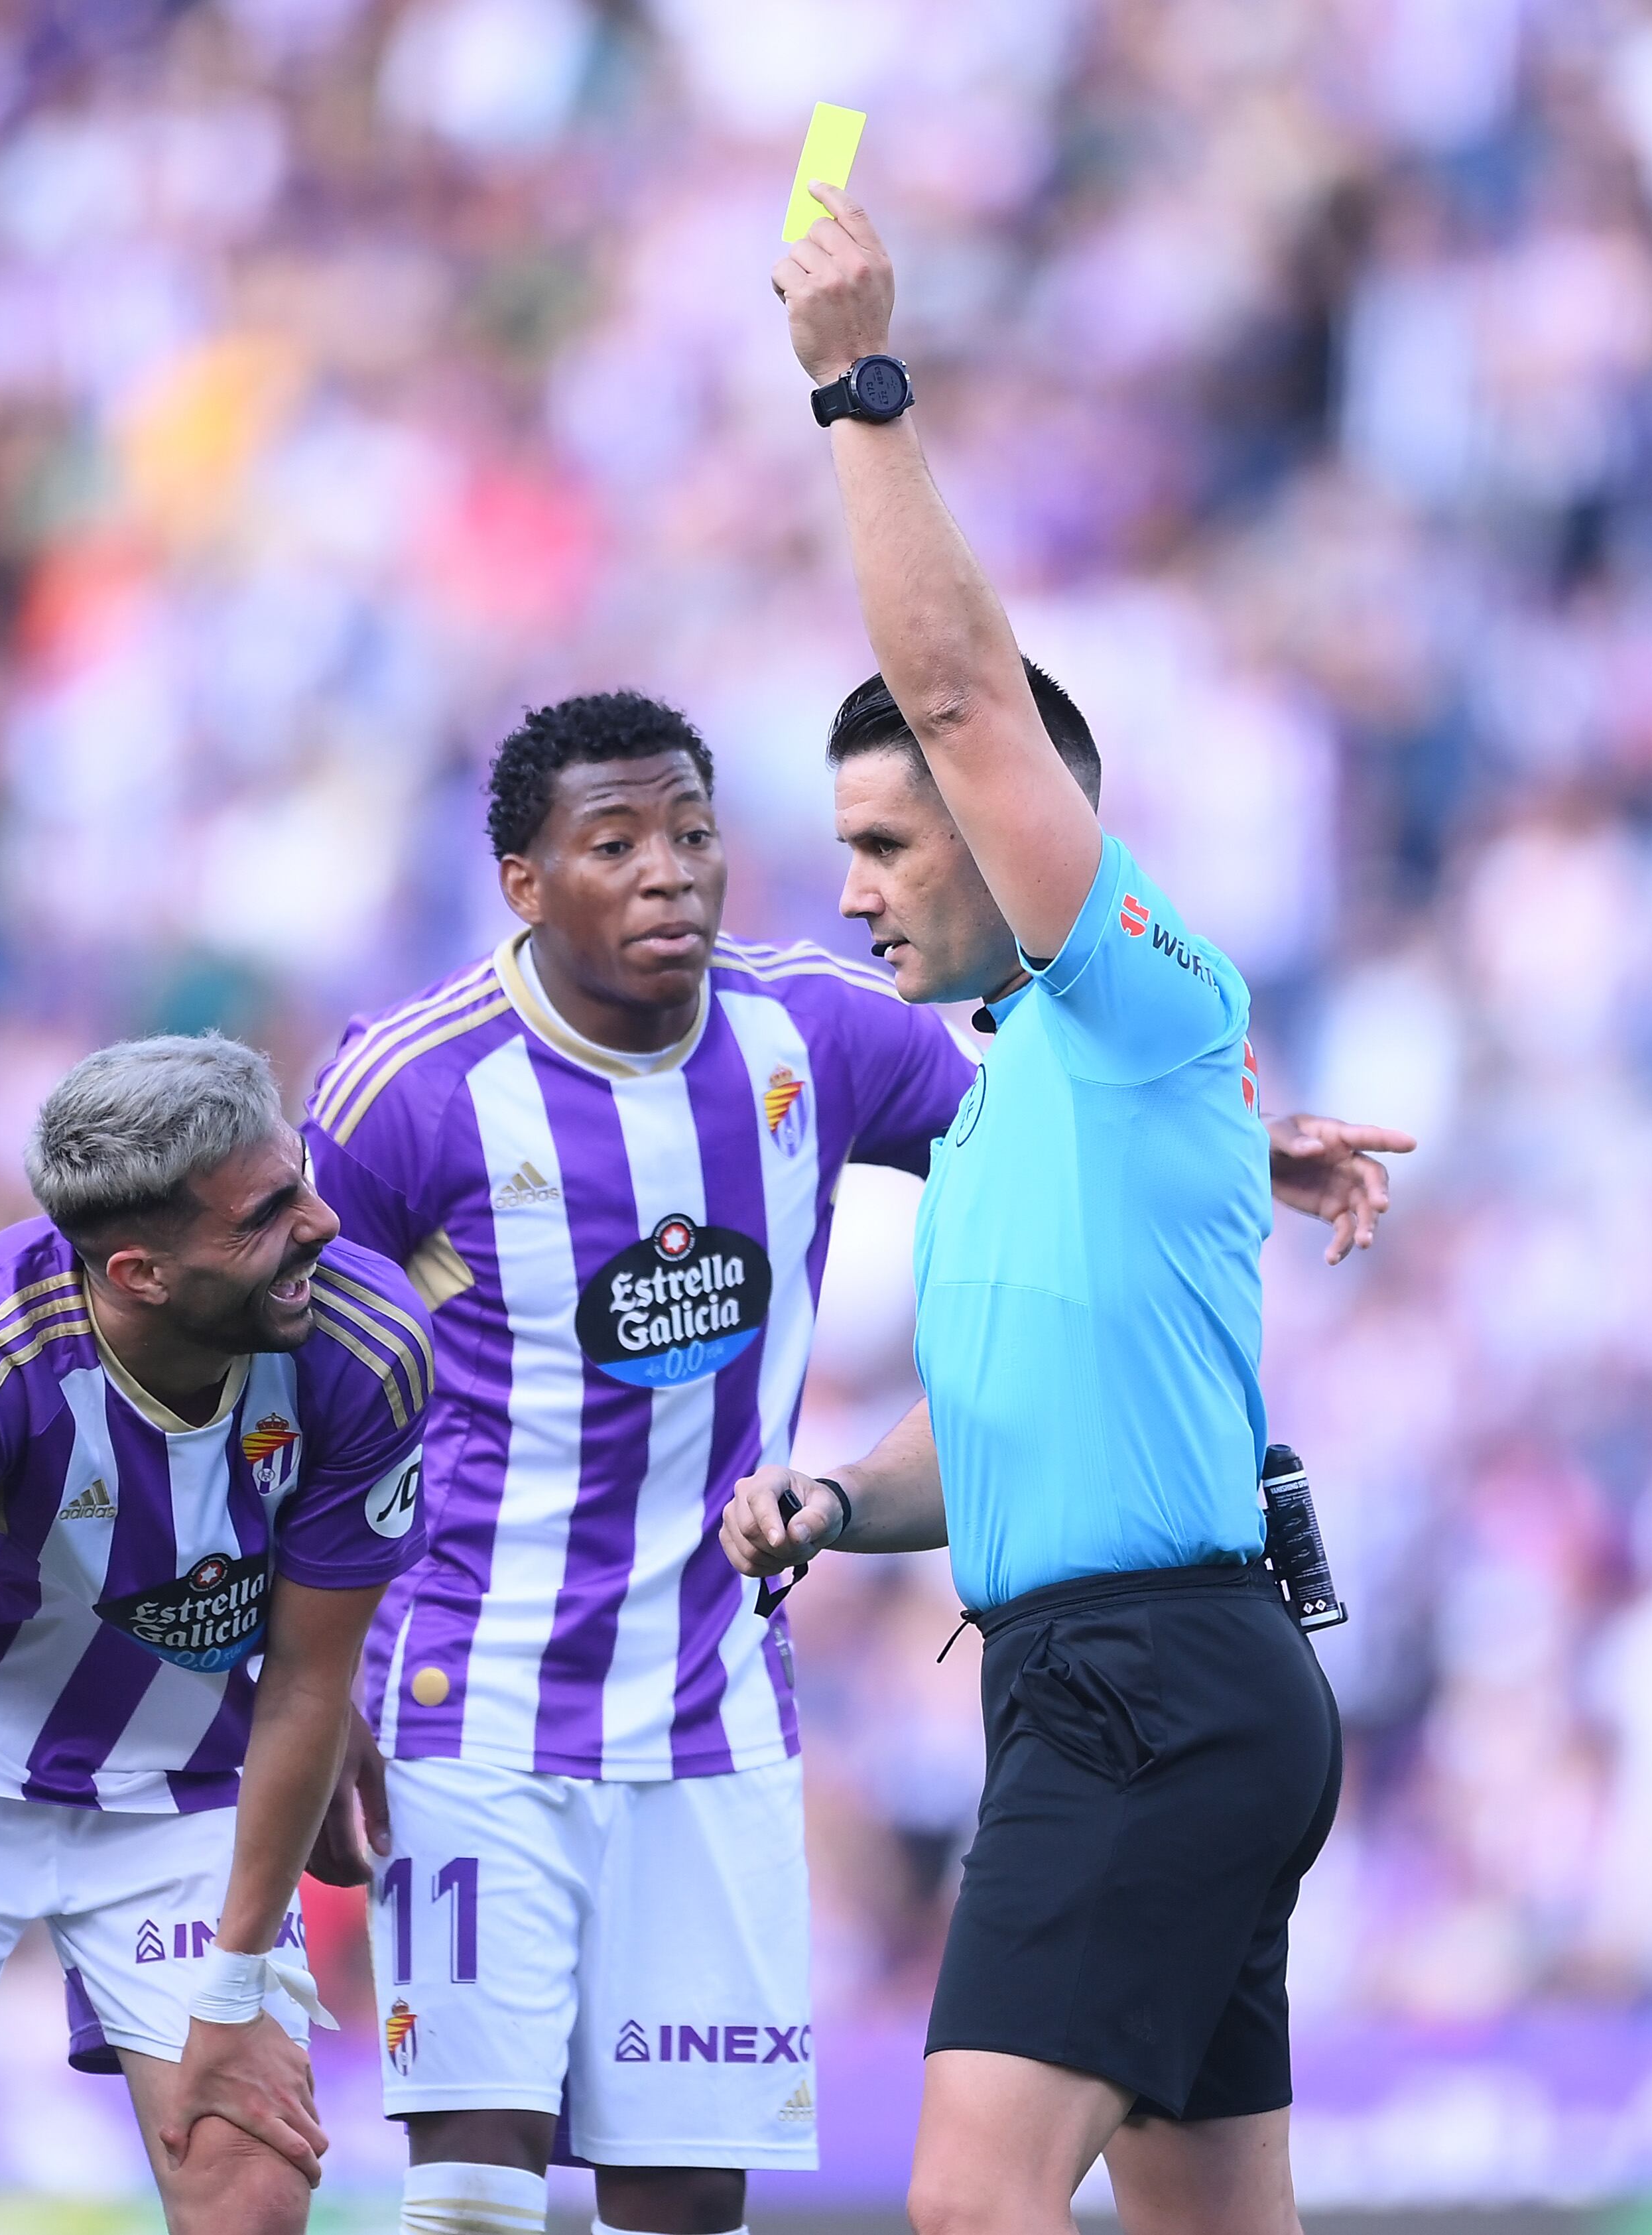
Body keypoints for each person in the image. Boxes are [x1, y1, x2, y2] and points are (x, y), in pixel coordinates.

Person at [298, 692, 1401, 2235]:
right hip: (472, 1694)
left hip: (716, 1709)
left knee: (686, 2199)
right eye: (614, 843)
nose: (672, 872)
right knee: (474, 2188)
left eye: (692, 833)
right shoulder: (403, 1089)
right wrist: (314, 1679)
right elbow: (287, 1375)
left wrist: (1237, 1136)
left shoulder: (814, 1031)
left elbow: (1058, 1130)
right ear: (523, 881)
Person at [721, 187, 1391, 2235]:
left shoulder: (1130, 981)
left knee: (971, 2203)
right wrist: (839, 1500)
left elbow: (960, 693)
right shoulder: (1020, 1089)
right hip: (1120, 1679)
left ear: (1025, 831)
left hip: (1147, 1685)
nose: (848, 888)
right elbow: (1010, 1424)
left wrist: (854, 384)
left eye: (881, 843)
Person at [0, 1033, 435, 2235]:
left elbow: (305, 1684)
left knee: (253, 2195)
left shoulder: (366, 1343)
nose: (325, 1224)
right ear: (139, 1270)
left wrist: (233, 1992)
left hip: (182, 1775)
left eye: (299, 1176)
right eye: (267, 1213)